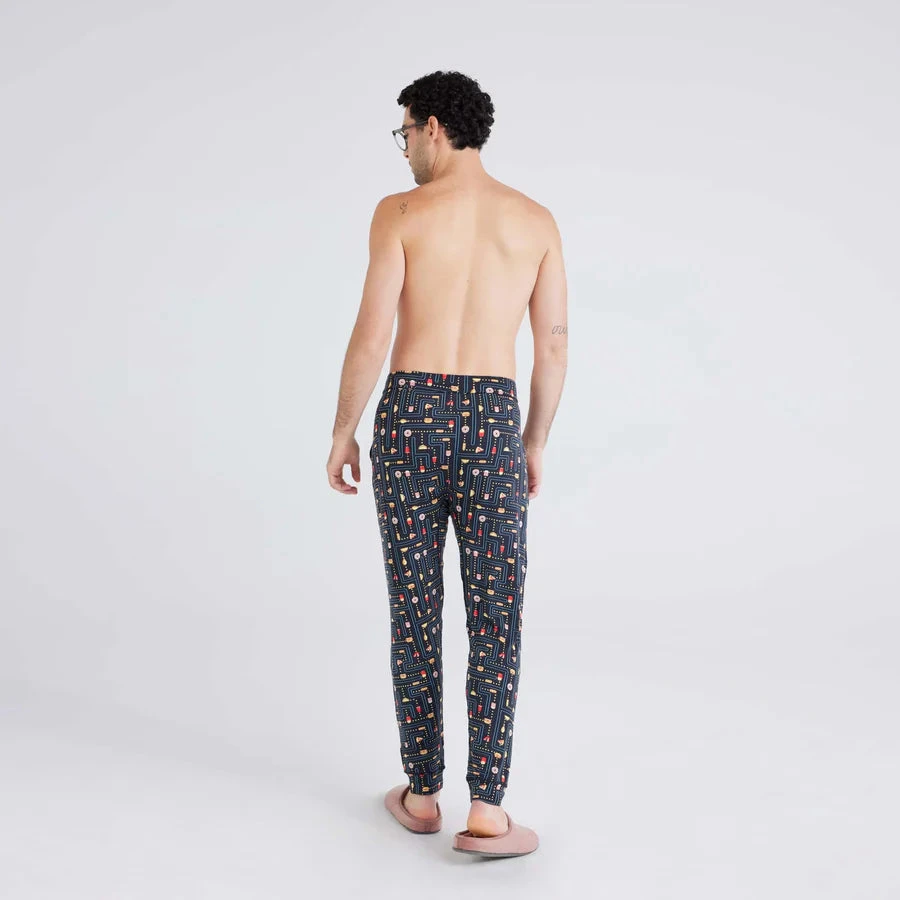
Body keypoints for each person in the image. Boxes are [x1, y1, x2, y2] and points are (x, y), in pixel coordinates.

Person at [326, 70, 567, 857]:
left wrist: (343, 430)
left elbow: (372, 332)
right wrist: (532, 441)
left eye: (404, 134)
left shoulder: (400, 213)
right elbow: (553, 349)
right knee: (496, 613)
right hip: (493, 419)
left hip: (409, 414)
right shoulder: (534, 221)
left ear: (433, 127)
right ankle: (488, 809)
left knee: (415, 606)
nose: (403, 151)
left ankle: (423, 793)